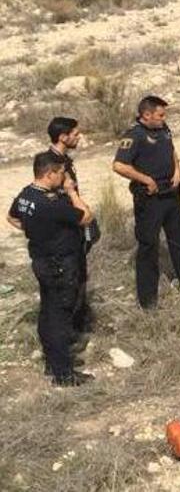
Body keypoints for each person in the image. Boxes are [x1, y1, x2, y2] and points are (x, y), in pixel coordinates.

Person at [7, 153, 95, 386]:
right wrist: (72, 192)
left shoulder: (27, 195)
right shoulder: (52, 204)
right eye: (61, 173)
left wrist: (37, 231)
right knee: (60, 318)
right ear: (49, 174)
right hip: (60, 265)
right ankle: (63, 374)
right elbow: (86, 217)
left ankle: (52, 363)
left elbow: (11, 217)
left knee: (48, 312)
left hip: (42, 261)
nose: (64, 177)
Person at [112, 96, 180, 308]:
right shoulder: (134, 135)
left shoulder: (163, 128)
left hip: (171, 194)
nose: (164, 118)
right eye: (160, 115)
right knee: (149, 247)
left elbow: (172, 150)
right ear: (146, 115)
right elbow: (119, 166)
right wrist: (146, 179)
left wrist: (177, 169)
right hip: (150, 199)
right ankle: (148, 302)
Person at [41, 117, 96, 339]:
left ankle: (78, 325)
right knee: (70, 280)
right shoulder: (50, 163)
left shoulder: (64, 159)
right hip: (64, 228)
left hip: (73, 223)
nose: (78, 137)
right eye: (75, 134)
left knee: (80, 275)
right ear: (63, 137)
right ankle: (68, 332)